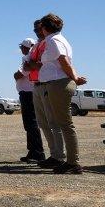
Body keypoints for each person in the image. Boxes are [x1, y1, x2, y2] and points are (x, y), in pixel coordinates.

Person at [37, 13, 87, 174]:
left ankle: (73, 162)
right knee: (63, 124)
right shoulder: (59, 39)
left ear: (44, 28)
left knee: (65, 124)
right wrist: (75, 77)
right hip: (58, 83)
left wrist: (74, 77)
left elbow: (63, 61)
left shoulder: (52, 40)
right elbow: (65, 62)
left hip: (58, 84)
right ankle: (70, 161)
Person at [25, 19, 65, 168]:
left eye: (39, 29)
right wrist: (32, 65)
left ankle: (59, 156)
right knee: (43, 123)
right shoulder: (37, 45)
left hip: (48, 84)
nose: (38, 32)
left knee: (53, 122)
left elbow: (39, 64)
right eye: (35, 30)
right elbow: (28, 66)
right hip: (37, 84)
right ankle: (54, 154)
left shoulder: (50, 43)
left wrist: (32, 65)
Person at [14, 38, 45, 162]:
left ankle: (37, 152)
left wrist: (15, 75)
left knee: (31, 123)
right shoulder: (30, 57)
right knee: (29, 124)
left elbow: (20, 74)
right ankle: (33, 151)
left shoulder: (28, 58)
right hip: (28, 92)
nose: (21, 48)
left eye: (23, 46)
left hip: (28, 93)